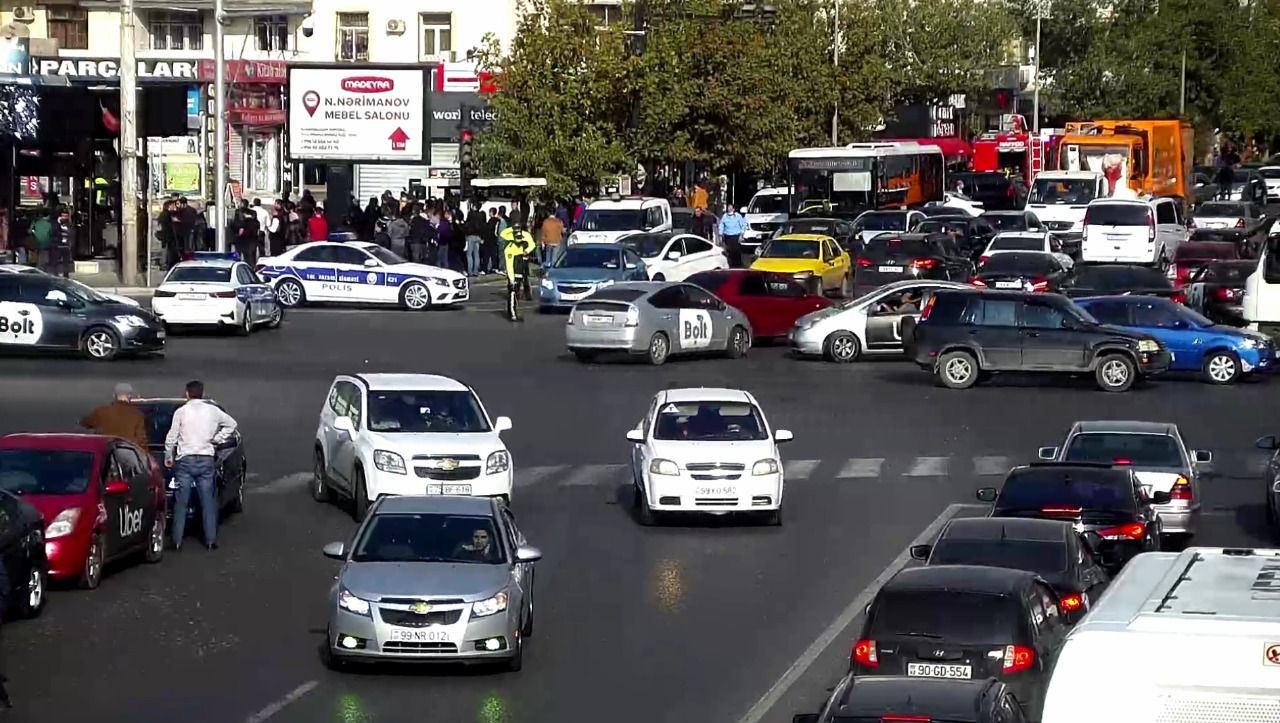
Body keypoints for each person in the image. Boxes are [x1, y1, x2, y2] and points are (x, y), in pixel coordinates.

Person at [164, 380, 237, 551]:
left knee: (181, 501)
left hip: (186, 459)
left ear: (187, 393)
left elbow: (172, 437)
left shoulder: (181, 412)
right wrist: (216, 439)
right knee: (207, 501)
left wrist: (169, 455)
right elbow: (232, 424)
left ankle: (176, 541)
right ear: (202, 393)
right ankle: (210, 540)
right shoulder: (212, 411)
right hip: (206, 458)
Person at [79, 382, 149, 450]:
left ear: (114, 395)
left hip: (105, 452)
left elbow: (83, 424)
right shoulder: (137, 415)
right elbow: (141, 440)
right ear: (130, 396)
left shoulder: (101, 411)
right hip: (128, 454)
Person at [501, 222, 537, 322]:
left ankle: (514, 311)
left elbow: (532, 245)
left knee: (516, 293)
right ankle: (512, 314)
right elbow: (509, 266)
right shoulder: (509, 250)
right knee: (512, 293)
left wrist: (527, 251)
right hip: (513, 272)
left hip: (520, 271)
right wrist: (511, 279)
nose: (520, 241)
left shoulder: (522, 245)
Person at [463, 203, 487, 276]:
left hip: (471, 235)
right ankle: (476, 271)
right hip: (478, 236)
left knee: (469, 254)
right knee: (477, 254)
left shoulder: (471, 214)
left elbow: (467, 224)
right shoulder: (481, 215)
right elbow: (483, 226)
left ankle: (470, 271)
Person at [50, 207, 73, 278]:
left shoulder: (69, 224)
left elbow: (71, 234)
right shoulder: (55, 224)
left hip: (66, 246)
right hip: (57, 245)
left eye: (66, 216)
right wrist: (58, 223)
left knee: (66, 263)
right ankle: (55, 275)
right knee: (55, 262)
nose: (65, 218)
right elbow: (53, 232)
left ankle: (66, 276)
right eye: (63, 216)